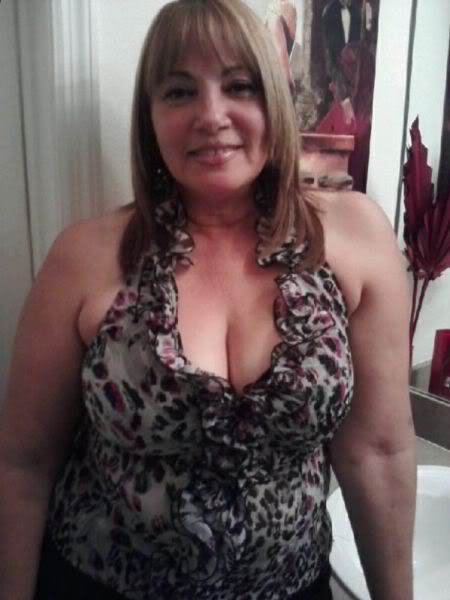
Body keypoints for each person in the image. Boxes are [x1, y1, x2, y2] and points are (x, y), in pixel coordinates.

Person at [0, 0, 416, 599]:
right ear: (150, 118)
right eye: (179, 92)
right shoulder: (84, 258)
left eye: (239, 86)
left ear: (273, 99)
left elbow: (377, 453)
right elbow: (22, 464)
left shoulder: (354, 238)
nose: (211, 116)